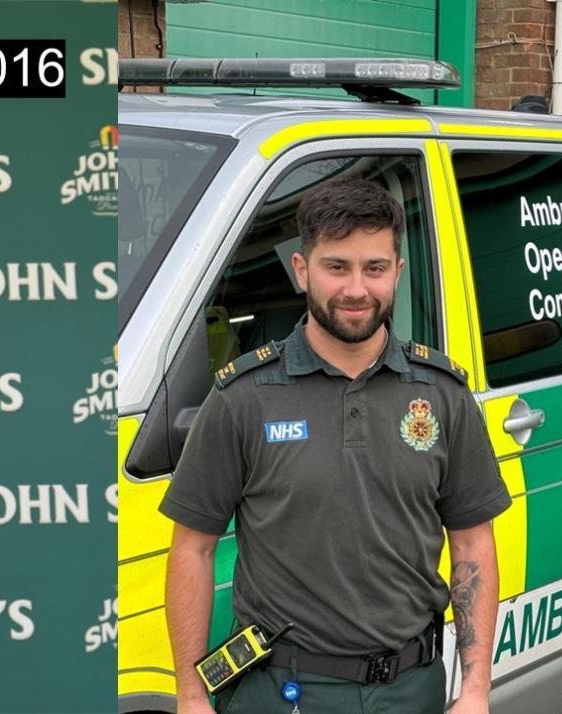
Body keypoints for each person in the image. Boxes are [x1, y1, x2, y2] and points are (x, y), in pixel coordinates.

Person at [160, 179, 511, 714]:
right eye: (336, 267)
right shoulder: (244, 397)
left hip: (411, 688)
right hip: (282, 690)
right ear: (302, 270)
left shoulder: (442, 393)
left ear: (397, 272)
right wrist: (190, 695)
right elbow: (193, 548)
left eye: (374, 268)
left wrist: (476, 688)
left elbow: (471, 544)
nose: (355, 289)